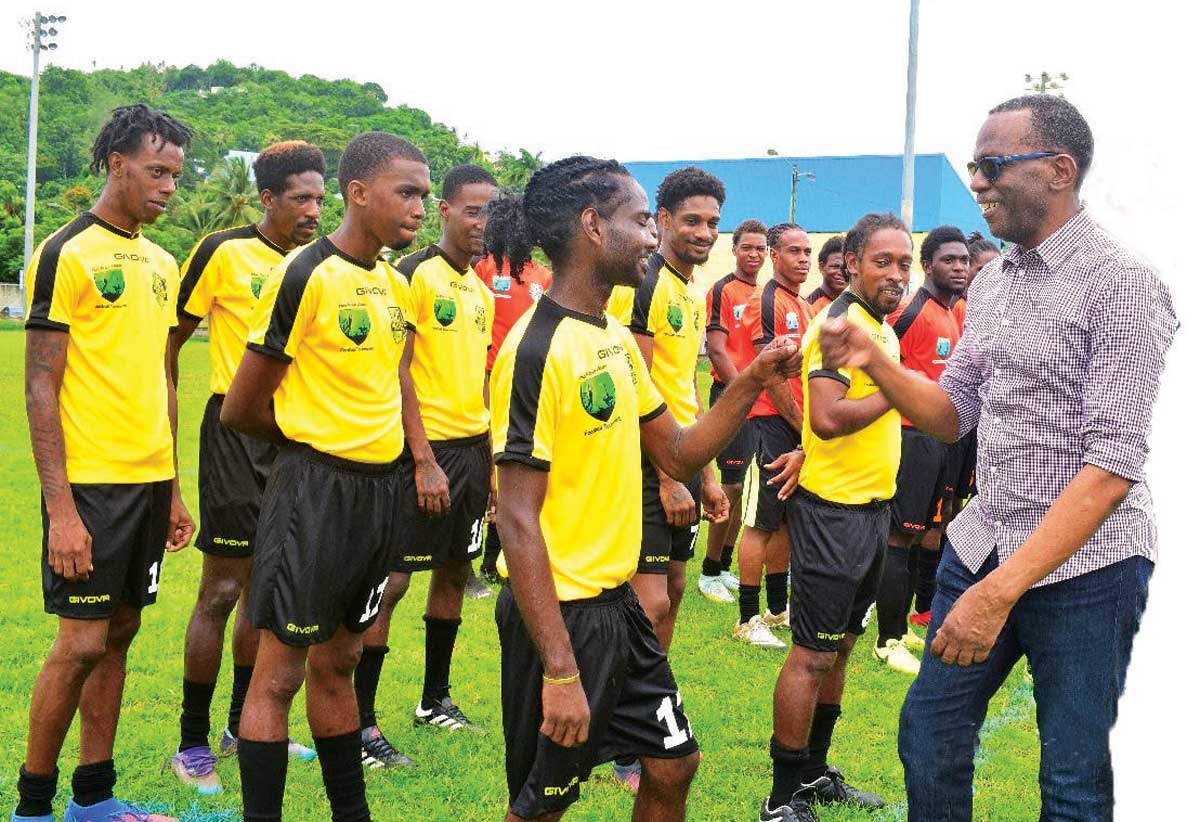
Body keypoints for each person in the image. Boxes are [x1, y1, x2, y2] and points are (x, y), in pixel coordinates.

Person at [820, 95, 1177, 821]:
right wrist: (876, 364)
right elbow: (953, 417)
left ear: (1058, 170)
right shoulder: (995, 282)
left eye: (990, 166)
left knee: (1073, 780)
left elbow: (1112, 466)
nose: (977, 182)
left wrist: (998, 592)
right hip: (985, 541)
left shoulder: (1124, 286)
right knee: (930, 735)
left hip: (1089, 566)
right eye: (974, 166)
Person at [491, 154, 804, 822]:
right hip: (560, 617)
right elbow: (516, 519)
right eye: (640, 221)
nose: (651, 238)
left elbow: (680, 448)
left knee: (674, 764)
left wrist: (751, 379)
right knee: (542, 804)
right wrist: (560, 670)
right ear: (592, 227)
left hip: (617, 607)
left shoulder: (610, 337)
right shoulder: (536, 349)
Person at [221, 131, 429, 822]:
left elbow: (392, 382)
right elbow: (242, 407)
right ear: (359, 193)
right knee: (278, 673)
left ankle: (351, 814)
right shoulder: (305, 273)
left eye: (424, 196)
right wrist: (314, 449)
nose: (418, 208)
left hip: (379, 496)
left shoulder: (391, 282)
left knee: (339, 662)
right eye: (407, 193)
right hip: (312, 493)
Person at [14, 104, 194, 822]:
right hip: (89, 487)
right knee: (81, 641)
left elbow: (160, 380)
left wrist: (174, 488)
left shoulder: (161, 261)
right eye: (156, 172)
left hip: (148, 483)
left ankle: (94, 799)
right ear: (117, 163)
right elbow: (38, 384)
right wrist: (61, 510)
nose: (168, 188)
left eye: (176, 176)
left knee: (120, 633)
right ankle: (31, 808)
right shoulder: (66, 252)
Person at [168, 140, 327, 794]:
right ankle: (190, 742)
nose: (316, 210)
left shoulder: (321, 266)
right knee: (223, 590)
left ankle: (243, 725)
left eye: (322, 197)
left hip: (295, 437)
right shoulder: (223, 251)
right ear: (267, 198)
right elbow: (169, 343)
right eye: (302, 198)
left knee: (270, 593)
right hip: (235, 436)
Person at [758, 212, 911, 822]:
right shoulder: (840, 324)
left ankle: (814, 772)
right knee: (812, 653)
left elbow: (823, 431)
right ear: (852, 263)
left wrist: (887, 378)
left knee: (842, 647)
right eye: (883, 261)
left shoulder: (877, 328)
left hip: (872, 511)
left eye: (905, 263)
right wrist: (899, 389)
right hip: (834, 516)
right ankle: (779, 797)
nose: (896, 274)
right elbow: (826, 416)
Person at [352, 164, 498, 769]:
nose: (480, 222)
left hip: (470, 451)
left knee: (454, 572)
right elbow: (399, 370)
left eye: (490, 212)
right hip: (423, 453)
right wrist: (421, 459)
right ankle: (361, 724)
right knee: (393, 582)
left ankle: (433, 698)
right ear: (443, 210)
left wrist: (489, 463)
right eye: (471, 209)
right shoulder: (413, 274)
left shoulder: (481, 290)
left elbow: (481, 379)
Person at [627, 166, 729, 649]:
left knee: (675, 587)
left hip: (683, 458)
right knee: (649, 599)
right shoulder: (646, 282)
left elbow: (685, 385)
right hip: (649, 464)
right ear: (663, 219)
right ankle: (627, 704)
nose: (705, 233)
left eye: (712, 222)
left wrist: (705, 475)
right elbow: (639, 384)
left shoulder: (692, 291)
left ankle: (653, 701)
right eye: (692, 221)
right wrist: (668, 477)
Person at [873, 226, 969, 674]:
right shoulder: (911, 312)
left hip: (938, 439)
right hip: (911, 437)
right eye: (949, 260)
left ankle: (901, 624)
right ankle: (887, 638)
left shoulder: (949, 312)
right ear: (928, 266)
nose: (960, 268)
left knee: (916, 537)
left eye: (964, 260)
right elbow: (881, 364)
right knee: (900, 536)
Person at [731, 223, 815, 649]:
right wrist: (802, 424)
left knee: (782, 519)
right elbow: (769, 376)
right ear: (774, 256)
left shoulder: (803, 304)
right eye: (794, 251)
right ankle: (747, 617)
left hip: (796, 424)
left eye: (808, 252)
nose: (803, 259)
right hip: (767, 422)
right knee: (760, 522)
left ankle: (778, 608)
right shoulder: (766, 302)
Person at [475, 194, 553, 584]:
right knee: (490, 459)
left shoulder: (543, 275)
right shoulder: (484, 269)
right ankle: (478, 556)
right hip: (488, 378)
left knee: (517, 460)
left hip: (527, 381)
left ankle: (499, 555)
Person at [695, 218, 767, 604]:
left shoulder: (766, 294)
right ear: (735, 249)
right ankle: (708, 571)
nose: (754, 254)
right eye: (747, 247)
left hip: (759, 400)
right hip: (732, 395)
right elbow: (718, 349)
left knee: (744, 489)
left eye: (760, 248)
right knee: (730, 484)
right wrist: (744, 390)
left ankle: (723, 566)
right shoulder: (722, 290)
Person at [805, 235, 845, 312]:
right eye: (835, 267)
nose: (841, 272)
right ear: (822, 267)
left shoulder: (855, 303)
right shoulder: (809, 307)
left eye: (845, 267)